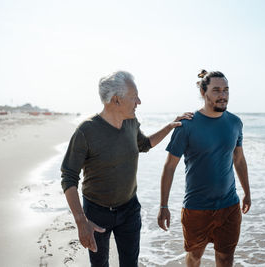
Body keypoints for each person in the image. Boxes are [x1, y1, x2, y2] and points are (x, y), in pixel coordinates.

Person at [61, 70, 193, 267]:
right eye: (134, 97)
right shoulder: (86, 131)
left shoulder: (131, 123)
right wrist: (81, 221)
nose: (138, 101)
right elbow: (69, 177)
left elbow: (144, 144)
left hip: (129, 209)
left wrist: (170, 126)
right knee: (99, 264)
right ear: (116, 100)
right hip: (97, 212)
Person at [157, 70, 251, 267]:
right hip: (196, 208)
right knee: (195, 256)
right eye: (216, 90)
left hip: (229, 206)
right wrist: (163, 206)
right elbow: (169, 166)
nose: (223, 95)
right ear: (203, 92)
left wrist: (247, 193)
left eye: (226, 90)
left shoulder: (235, 122)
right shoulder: (186, 124)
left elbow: (239, 159)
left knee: (226, 259)